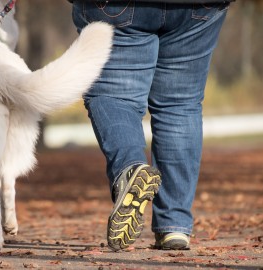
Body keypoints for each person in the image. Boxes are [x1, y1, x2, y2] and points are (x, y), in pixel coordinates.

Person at [71, 0, 234, 251]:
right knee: (180, 105)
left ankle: (130, 167)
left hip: (115, 7)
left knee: (114, 96)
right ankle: (174, 226)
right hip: (198, 8)